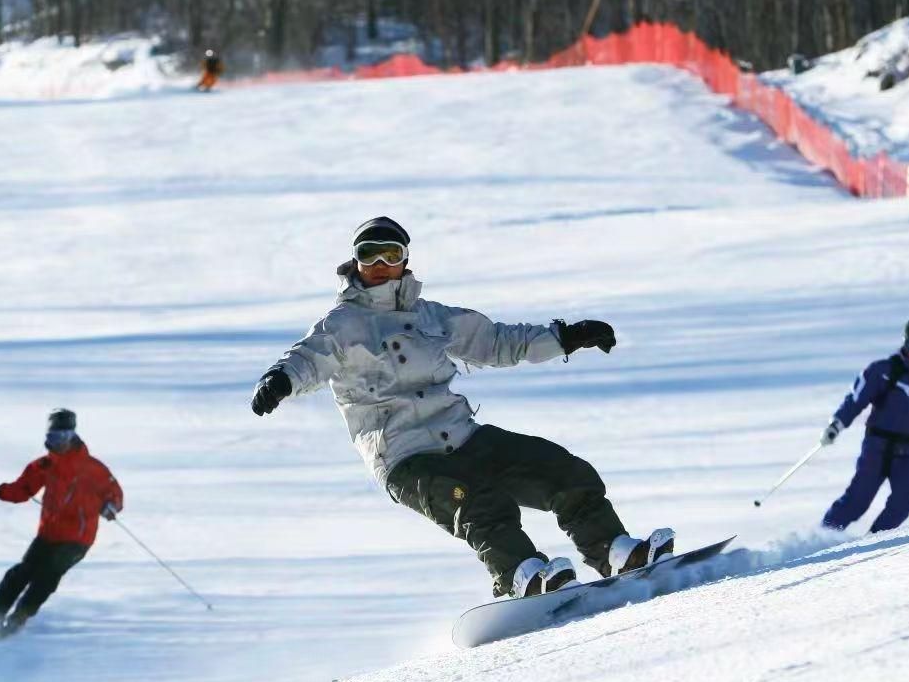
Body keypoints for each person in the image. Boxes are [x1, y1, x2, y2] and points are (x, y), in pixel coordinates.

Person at [250, 217, 673, 598]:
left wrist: (565, 337)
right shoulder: (340, 325)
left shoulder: (431, 316)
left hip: (462, 436)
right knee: (479, 503)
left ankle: (616, 552)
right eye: (369, 255)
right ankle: (523, 575)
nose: (380, 264)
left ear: (405, 261)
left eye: (390, 254)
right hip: (405, 456)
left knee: (561, 469)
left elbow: (498, 342)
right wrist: (279, 380)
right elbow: (306, 359)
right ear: (355, 263)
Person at [0, 408, 124, 633]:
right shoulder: (45, 465)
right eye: (53, 437)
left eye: (63, 437)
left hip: (77, 539)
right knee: (21, 572)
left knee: (47, 576)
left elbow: (114, 493)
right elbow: (22, 490)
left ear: (73, 435)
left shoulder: (93, 468)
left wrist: (110, 506)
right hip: (48, 534)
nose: (59, 443)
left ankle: (17, 619)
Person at [819, 318, 909, 533]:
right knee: (857, 501)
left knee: (903, 503)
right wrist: (837, 425)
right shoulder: (883, 371)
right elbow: (855, 399)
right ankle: (820, 539)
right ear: (904, 342)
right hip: (878, 447)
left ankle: (875, 542)